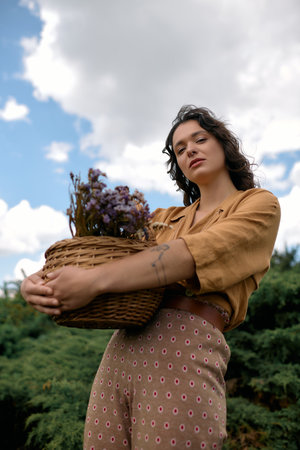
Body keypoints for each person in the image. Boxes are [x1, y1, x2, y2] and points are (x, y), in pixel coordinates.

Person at [21, 105, 281, 449]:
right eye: (180, 149)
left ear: (224, 145)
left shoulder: (258, 205)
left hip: (186, 347)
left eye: (199, 139)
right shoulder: (161, 218)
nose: (190, 150)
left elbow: (188, 256)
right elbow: (103, 253)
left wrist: (94, 282)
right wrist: (38, 280)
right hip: (121, 347)